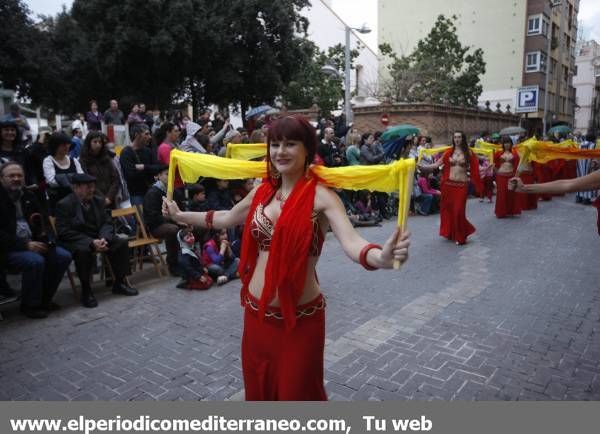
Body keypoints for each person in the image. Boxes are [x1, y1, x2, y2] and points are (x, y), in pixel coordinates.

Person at [162, 115, 410, 400]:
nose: (280, 152)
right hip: (257, 317)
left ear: (307, 149)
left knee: (298, 394)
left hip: (301, 322)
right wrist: (180, 215)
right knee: (260, 390)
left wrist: (381, 256)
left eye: (290, 144)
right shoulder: (262, 191)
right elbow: (225, 217)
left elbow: (352, 243)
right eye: (275, 144)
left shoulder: (322, 197)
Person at [0, 162, 72, 318]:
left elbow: (44, 221)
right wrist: (25, 245)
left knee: (62, 256)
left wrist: (48, 239)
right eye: (11, 176)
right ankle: (29, 305)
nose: (16, 179)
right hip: (8, 249)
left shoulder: (29, 195)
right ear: (1, 179)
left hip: (34, 243)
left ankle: (44, 300)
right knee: (35, 261)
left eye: (19, 175)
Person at [55, 173, 137, 308]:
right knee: (83, 252)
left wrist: (103, 238)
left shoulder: (98, 200)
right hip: (79, 241)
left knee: (121, 243)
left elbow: (107, 222)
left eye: (93, 187)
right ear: (76, 188)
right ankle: (86, 291)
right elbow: (64, 232)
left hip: (99, 237)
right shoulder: (64, 204)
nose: (92, 190)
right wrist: (91, 242)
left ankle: (119, 283)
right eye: (88, 187)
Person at [419, 131, 481, 245]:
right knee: (449, 211)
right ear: (453, 139)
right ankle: (453, 233)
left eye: (459, 137)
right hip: (449, 186)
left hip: (462, 186)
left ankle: (461, 236)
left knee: (458, 211)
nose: (457, 139)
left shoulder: (468, 152)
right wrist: (423, 167)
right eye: (455, 137)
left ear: (463, 139)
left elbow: (476, 168)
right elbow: (436, 164)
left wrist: (486, 170)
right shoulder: (448, 152)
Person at [143, 165, 184, 276]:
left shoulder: (174, 191)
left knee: (195, 225)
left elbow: (181, 210)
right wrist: (172, 219)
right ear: (159, 176)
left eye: (171, 174)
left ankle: (191, 260)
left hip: (173, 221)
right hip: (156, 226)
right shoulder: (153, 193)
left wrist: (185, 220)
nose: (170, 177)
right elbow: (152, 217)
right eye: (167, 174)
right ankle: (173, 265)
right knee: (173, 229)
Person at [120, 124, 161, 205]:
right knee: (141, 217)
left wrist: (144, 167)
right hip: (137, 194)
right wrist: (150, 170)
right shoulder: (126, 153)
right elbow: (130, 175)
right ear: (137, 135)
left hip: (151, 191)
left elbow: (158, 168)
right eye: (146, 134)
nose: (150, 137)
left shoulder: (149, 151)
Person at [43, 132, 84, 213]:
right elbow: (52, 181)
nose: (67, 146)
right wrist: (74, 178)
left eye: (68, 144)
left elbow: (82, 178)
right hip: (57, 203)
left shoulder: (74, 160)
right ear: (55, 146)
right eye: (63, 144)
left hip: (75, 202)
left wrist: (62, 178)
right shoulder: (48, 161)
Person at [79, 131, 119, 208]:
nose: (98, 144)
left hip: (111, 199)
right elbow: (88, 181)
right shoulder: (83, 161)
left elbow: (115, 179)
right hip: (94, 200)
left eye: (100, 142)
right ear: (89, 143)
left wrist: (109, 197)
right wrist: (103, 199)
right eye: (95, 142)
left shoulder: (106, 159)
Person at [494, 137, 521, 218]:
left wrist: (516, 177)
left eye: (508, 143)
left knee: (511, 193)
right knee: (501, 194)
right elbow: (495, 164)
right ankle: (501, 212)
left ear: (511, 144)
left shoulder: (515, 154)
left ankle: (510, 211)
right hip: (501, 176)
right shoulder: (498, 153)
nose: (506, 145)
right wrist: (497, 172)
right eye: (505, 143)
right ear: (503, 144)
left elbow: (517, 166)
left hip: (511, 176)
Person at [575, 133, 598, 205]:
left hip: (580, 163)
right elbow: (594, 155)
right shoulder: (593, 145)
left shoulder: (580, 144)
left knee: (579, 179)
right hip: (588, 164)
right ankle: (586, 198)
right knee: (588, 180)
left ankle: (578, 197)